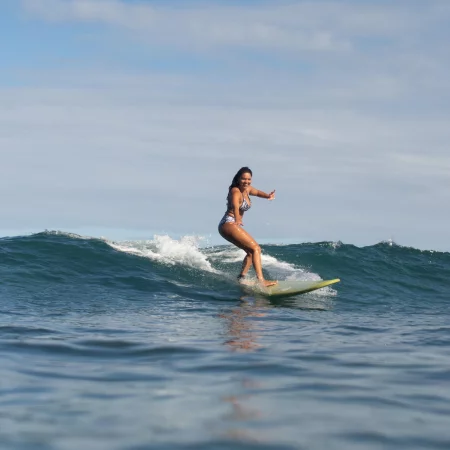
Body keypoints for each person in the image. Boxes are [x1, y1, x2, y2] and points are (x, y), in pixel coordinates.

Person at [218, 167, 277, 287]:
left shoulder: (247, 189)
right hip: (229, 223)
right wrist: (238, 218)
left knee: (250, 252)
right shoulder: (235, 191)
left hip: (232, 224)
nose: (246, 181)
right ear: (238, 179)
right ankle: (261, 281)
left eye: (249, 179)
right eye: (244, 179)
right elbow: (235, 205)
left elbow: (257, 192)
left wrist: (267, 196)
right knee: (256, 248)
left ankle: (241, 277)